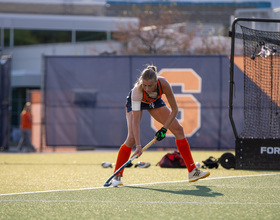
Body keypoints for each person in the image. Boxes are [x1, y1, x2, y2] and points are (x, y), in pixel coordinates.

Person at [112, 65, 210, 186]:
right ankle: (117, 175)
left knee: (179, 130)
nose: (147, 88)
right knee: (131, 138)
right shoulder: (137, 92)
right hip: (137, 103)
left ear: (156, 81)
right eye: (145, 85)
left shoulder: (163, 84)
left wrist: (164, 129)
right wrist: (138, 146)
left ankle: (192, 171)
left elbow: (175, 109)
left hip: (154, 102)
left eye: (150, 85)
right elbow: (135, 121)